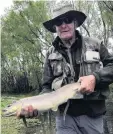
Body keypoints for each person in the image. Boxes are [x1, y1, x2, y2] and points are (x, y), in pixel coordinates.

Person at [17, 4, 113, 134]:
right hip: (64, 119)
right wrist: (36, 107)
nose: (63, 25)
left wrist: (95, 78)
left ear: (75, 23)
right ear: (55, 27)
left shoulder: (95, 44)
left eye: (67, 20)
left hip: (93, 115)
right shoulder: (50, 53)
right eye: (58, 22)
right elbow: (46, 87)